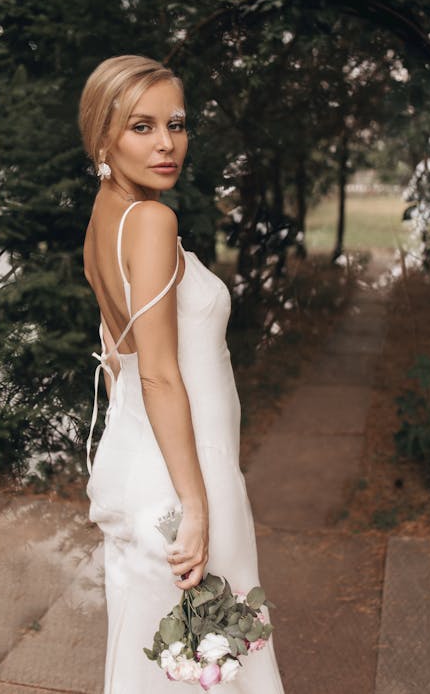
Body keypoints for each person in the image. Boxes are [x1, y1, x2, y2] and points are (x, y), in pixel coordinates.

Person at [80, 55, 285, 693]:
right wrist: (195, 506)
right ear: (103, 137)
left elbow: (118, 359)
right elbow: (159, 375)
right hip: (184, 482)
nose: (167, 143)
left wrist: (131, 468)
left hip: (149, 470)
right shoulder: (150, 221)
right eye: (142, 126)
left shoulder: (105, 219)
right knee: (210, 674)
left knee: (165, 670)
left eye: (177, 123)